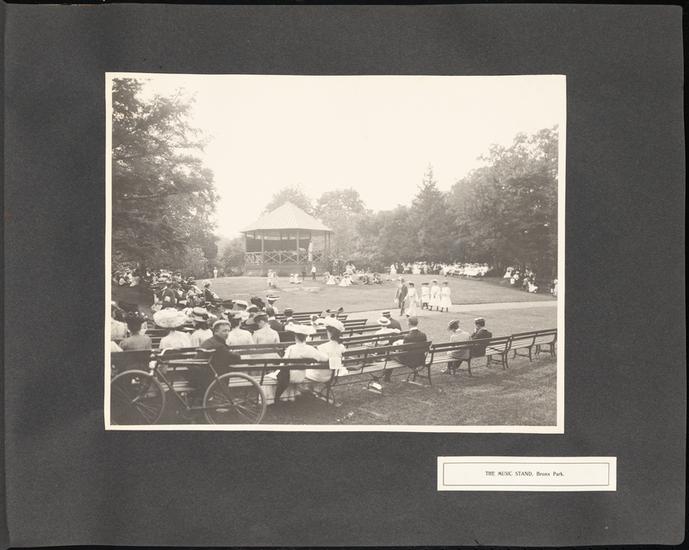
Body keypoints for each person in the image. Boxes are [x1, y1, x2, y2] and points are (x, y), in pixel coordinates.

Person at [268, 324, 328, 403]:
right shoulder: (310, 349)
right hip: (301, 376)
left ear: (295, 337)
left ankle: (274, 398)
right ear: (306, 337)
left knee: (272, 375)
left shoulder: (291, 348)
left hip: (289, 376)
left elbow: (283, 363)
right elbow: (325, 358)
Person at [305, 317, 347, 385]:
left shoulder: (321, 347)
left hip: (319, 376)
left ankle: (309, 388)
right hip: (331, 375)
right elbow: (336, 364)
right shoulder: (341, 347)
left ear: (329, 333)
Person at [387, 316, 427, 381]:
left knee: (390, 354)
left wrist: (397, 350)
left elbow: (403, 351)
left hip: (409, 361)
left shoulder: (408, 337)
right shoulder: (423, 335)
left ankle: (387, 377)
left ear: (409, 323)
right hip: (421, 359)